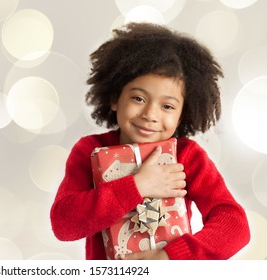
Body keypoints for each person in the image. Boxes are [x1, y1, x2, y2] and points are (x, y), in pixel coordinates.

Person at [50, 22, 250, 260]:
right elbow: (64, 224)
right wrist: (137, 186)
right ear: (115, 98)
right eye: (138, 98)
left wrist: (171, 257)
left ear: (182, 114)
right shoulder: (90, 150)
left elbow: (235, 225)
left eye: (167, 106)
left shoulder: (187, 156)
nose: (150, 115)